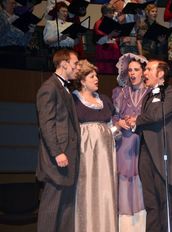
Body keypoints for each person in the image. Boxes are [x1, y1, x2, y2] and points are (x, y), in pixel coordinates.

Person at [126, 60, 172, 232]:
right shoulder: (148, 97)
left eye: (149, 69)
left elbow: (158, 115)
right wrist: (135, 125)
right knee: (151, 203)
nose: (144, 73)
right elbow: (148, 121)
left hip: (163, 150)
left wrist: (137, 120)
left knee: (166, 202)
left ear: (161, 74)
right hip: (146, 152)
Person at [72, 59, 119, 232]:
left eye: (96, 76)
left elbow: (110, 128)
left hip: (105, 156)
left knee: (105, 191)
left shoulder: (104, 100)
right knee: (87, 190)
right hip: (85, 155)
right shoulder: (73, 101)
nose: (96, 79)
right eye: (92, 76)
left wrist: (117, 128)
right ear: (83, 81)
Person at [36, 49, 80, 232]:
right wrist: (57, 152)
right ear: (64, 64)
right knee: (51, 209)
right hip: (57, 160)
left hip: (68, 158)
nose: (77, 67)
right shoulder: (49, 88)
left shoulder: (64, 88)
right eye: (75, 63)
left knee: (66, 208)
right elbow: (46, 125)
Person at [112, 53, 150, 231]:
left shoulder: (151, 92)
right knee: (125, 182)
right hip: (125, 143)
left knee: (143, 181)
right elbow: (113, 116)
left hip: (143, 142)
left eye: (136, 69)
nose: (133, 73)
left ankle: (142, 226)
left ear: (144, 72)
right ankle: (125, 226)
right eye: (130, 70)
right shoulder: (120, 93)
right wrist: (119, 122)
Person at [93, 3, 121, 74]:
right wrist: (111, 35)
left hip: (113, 53)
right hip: (104, 54)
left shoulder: (111, 23)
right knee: (105, 75)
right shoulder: (99, 23)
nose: (112, 15)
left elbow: (114, 38)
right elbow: (98, 41)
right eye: (111, 13)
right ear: (105, 13)